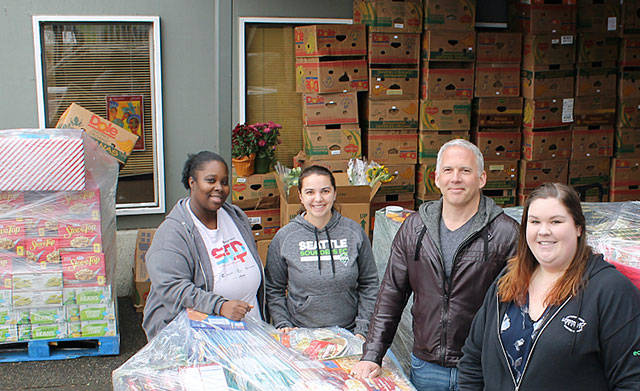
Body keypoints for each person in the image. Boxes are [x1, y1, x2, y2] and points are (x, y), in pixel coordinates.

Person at [352, 139, 519, 391]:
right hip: (427, 366)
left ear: (482, 178)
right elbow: (391, 294)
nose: (456, 178)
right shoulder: (414, 228)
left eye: (465, 170)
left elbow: (521, 306)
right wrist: (372, 354)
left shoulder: (506, 233)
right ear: (437, 177)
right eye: (448, 170)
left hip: (481, 367)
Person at [457, 183, 640, 390]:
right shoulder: (508, 280)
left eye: (556, 221)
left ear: (578, 228)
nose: (543, 231)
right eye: (534, 222)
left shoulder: (611, 290)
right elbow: (472, 359)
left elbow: (632, 380)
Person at [142, 151, 265, 340]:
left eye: (224, 182)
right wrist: (220, 306)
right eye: (210, 180)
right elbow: (171, 287)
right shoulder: (174, 232)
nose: (219, 188)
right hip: (198, 342)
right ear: (192, 183)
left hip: (249, 336)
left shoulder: (236, 217)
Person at [265, 165, 378, 338]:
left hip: (350, 333)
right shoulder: (285, 237)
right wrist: (283, 324)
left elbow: (369, 284)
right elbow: (273, 288)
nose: (318, 199)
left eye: (325, 191)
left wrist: (362, 329)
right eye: (310, 192)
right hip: (301, 334)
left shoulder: (354, 232)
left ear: (334, 194)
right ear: (301, 196)